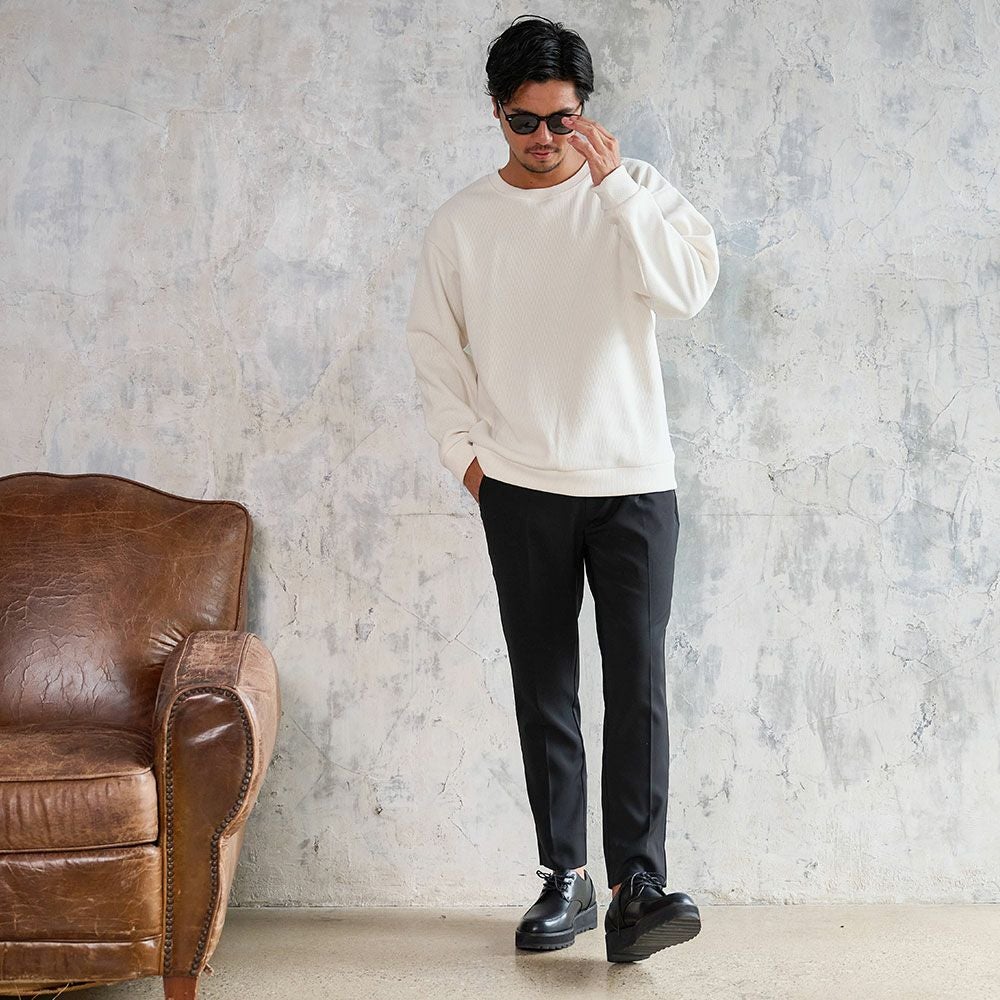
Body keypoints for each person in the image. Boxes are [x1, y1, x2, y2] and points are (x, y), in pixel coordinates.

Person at [405, 14, 719, 963]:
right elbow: (434, 350)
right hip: (520, 485)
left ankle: (639, 889)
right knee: (545, 687)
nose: (543, 139)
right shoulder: (462, 223)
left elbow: (688, 291)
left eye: (561, 119)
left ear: (586, 111)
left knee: (638, 685)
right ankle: (566, 878)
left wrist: (614, 187)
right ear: (495, 111)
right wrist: (468, 460)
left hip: (634, 480)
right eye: (523, 121)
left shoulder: (636, 191)